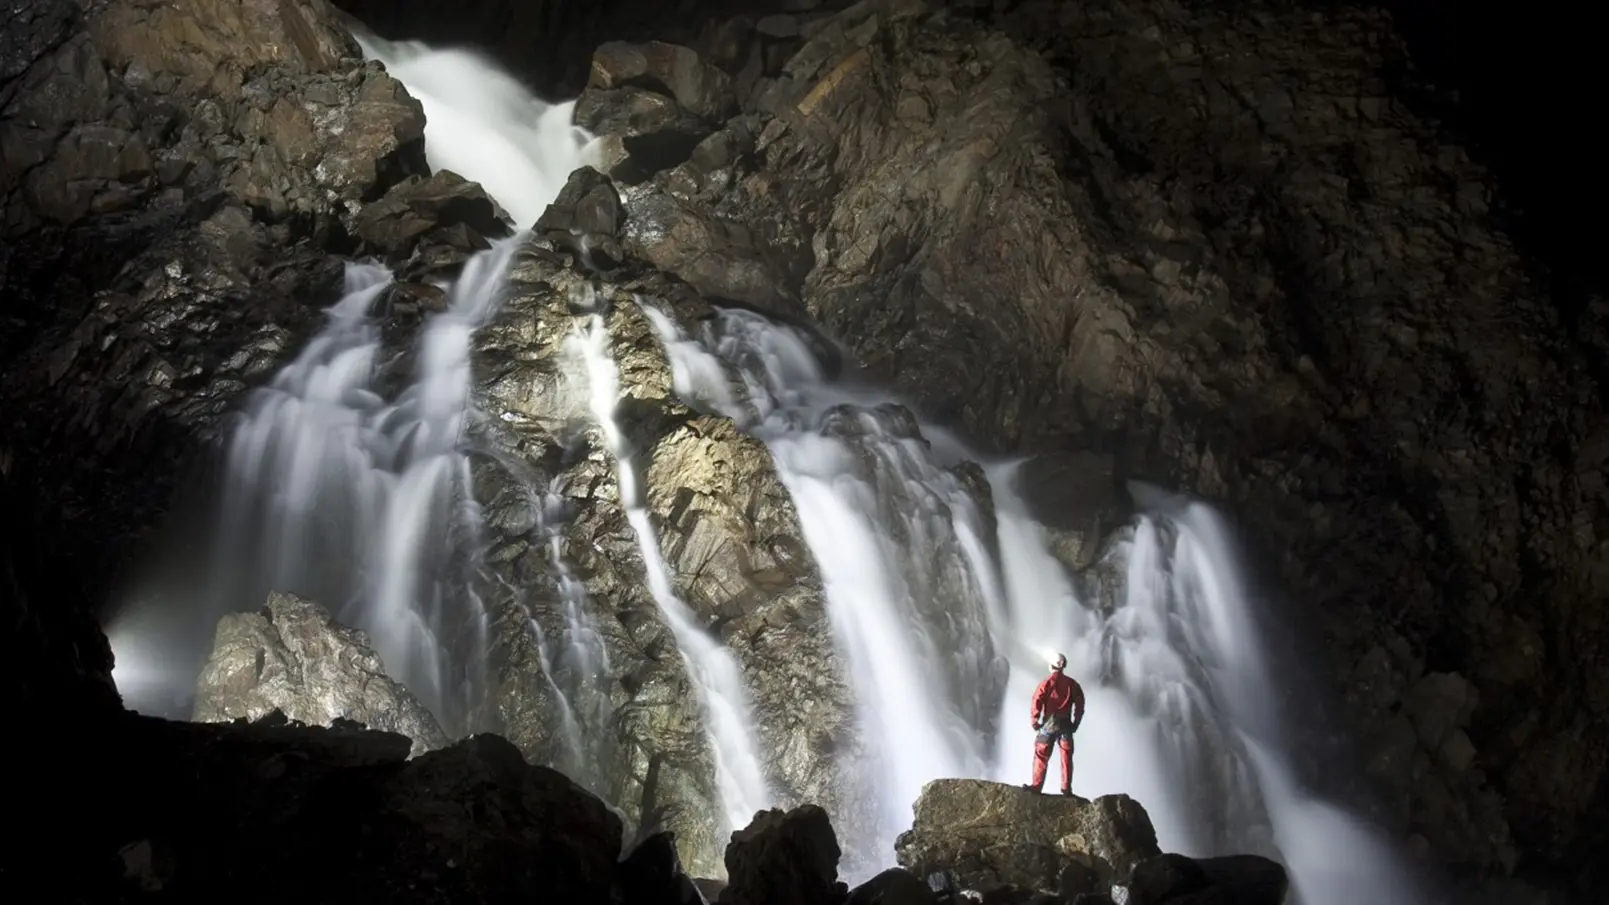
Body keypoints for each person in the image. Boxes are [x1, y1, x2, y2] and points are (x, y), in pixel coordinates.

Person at [1023, 652, 1085, 795]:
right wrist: (1076, 723)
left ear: (1051, 665)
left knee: (1041, 754)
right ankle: (1066, 789)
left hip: (1049, 723)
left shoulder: (1046, 683)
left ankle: (1036, 787)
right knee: (1066, 757)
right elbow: (1080, 705)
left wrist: (1035, 721)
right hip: (1066, 724)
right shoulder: (1072, 684)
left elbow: (1036, 701)